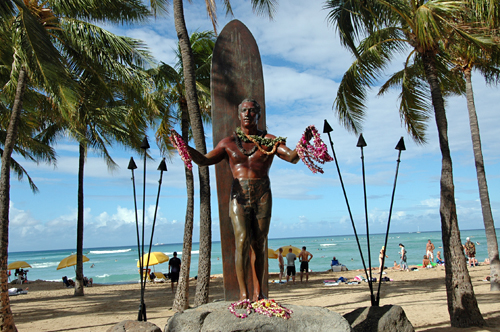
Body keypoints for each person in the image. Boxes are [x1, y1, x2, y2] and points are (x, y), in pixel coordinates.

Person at [186, 99, 311, 301]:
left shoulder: (269, 141)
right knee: (242, 240)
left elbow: (292, 157)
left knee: (259, 244)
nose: (248, 114)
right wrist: (185, 148)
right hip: (239, 194)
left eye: (252, 111)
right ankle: (244, 294)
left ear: (258, 115)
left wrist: (304, 141)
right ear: (238, 114)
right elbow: (204, 160)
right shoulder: (227, 143)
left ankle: (258, 293)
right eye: (244, 110)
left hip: (263, 192)